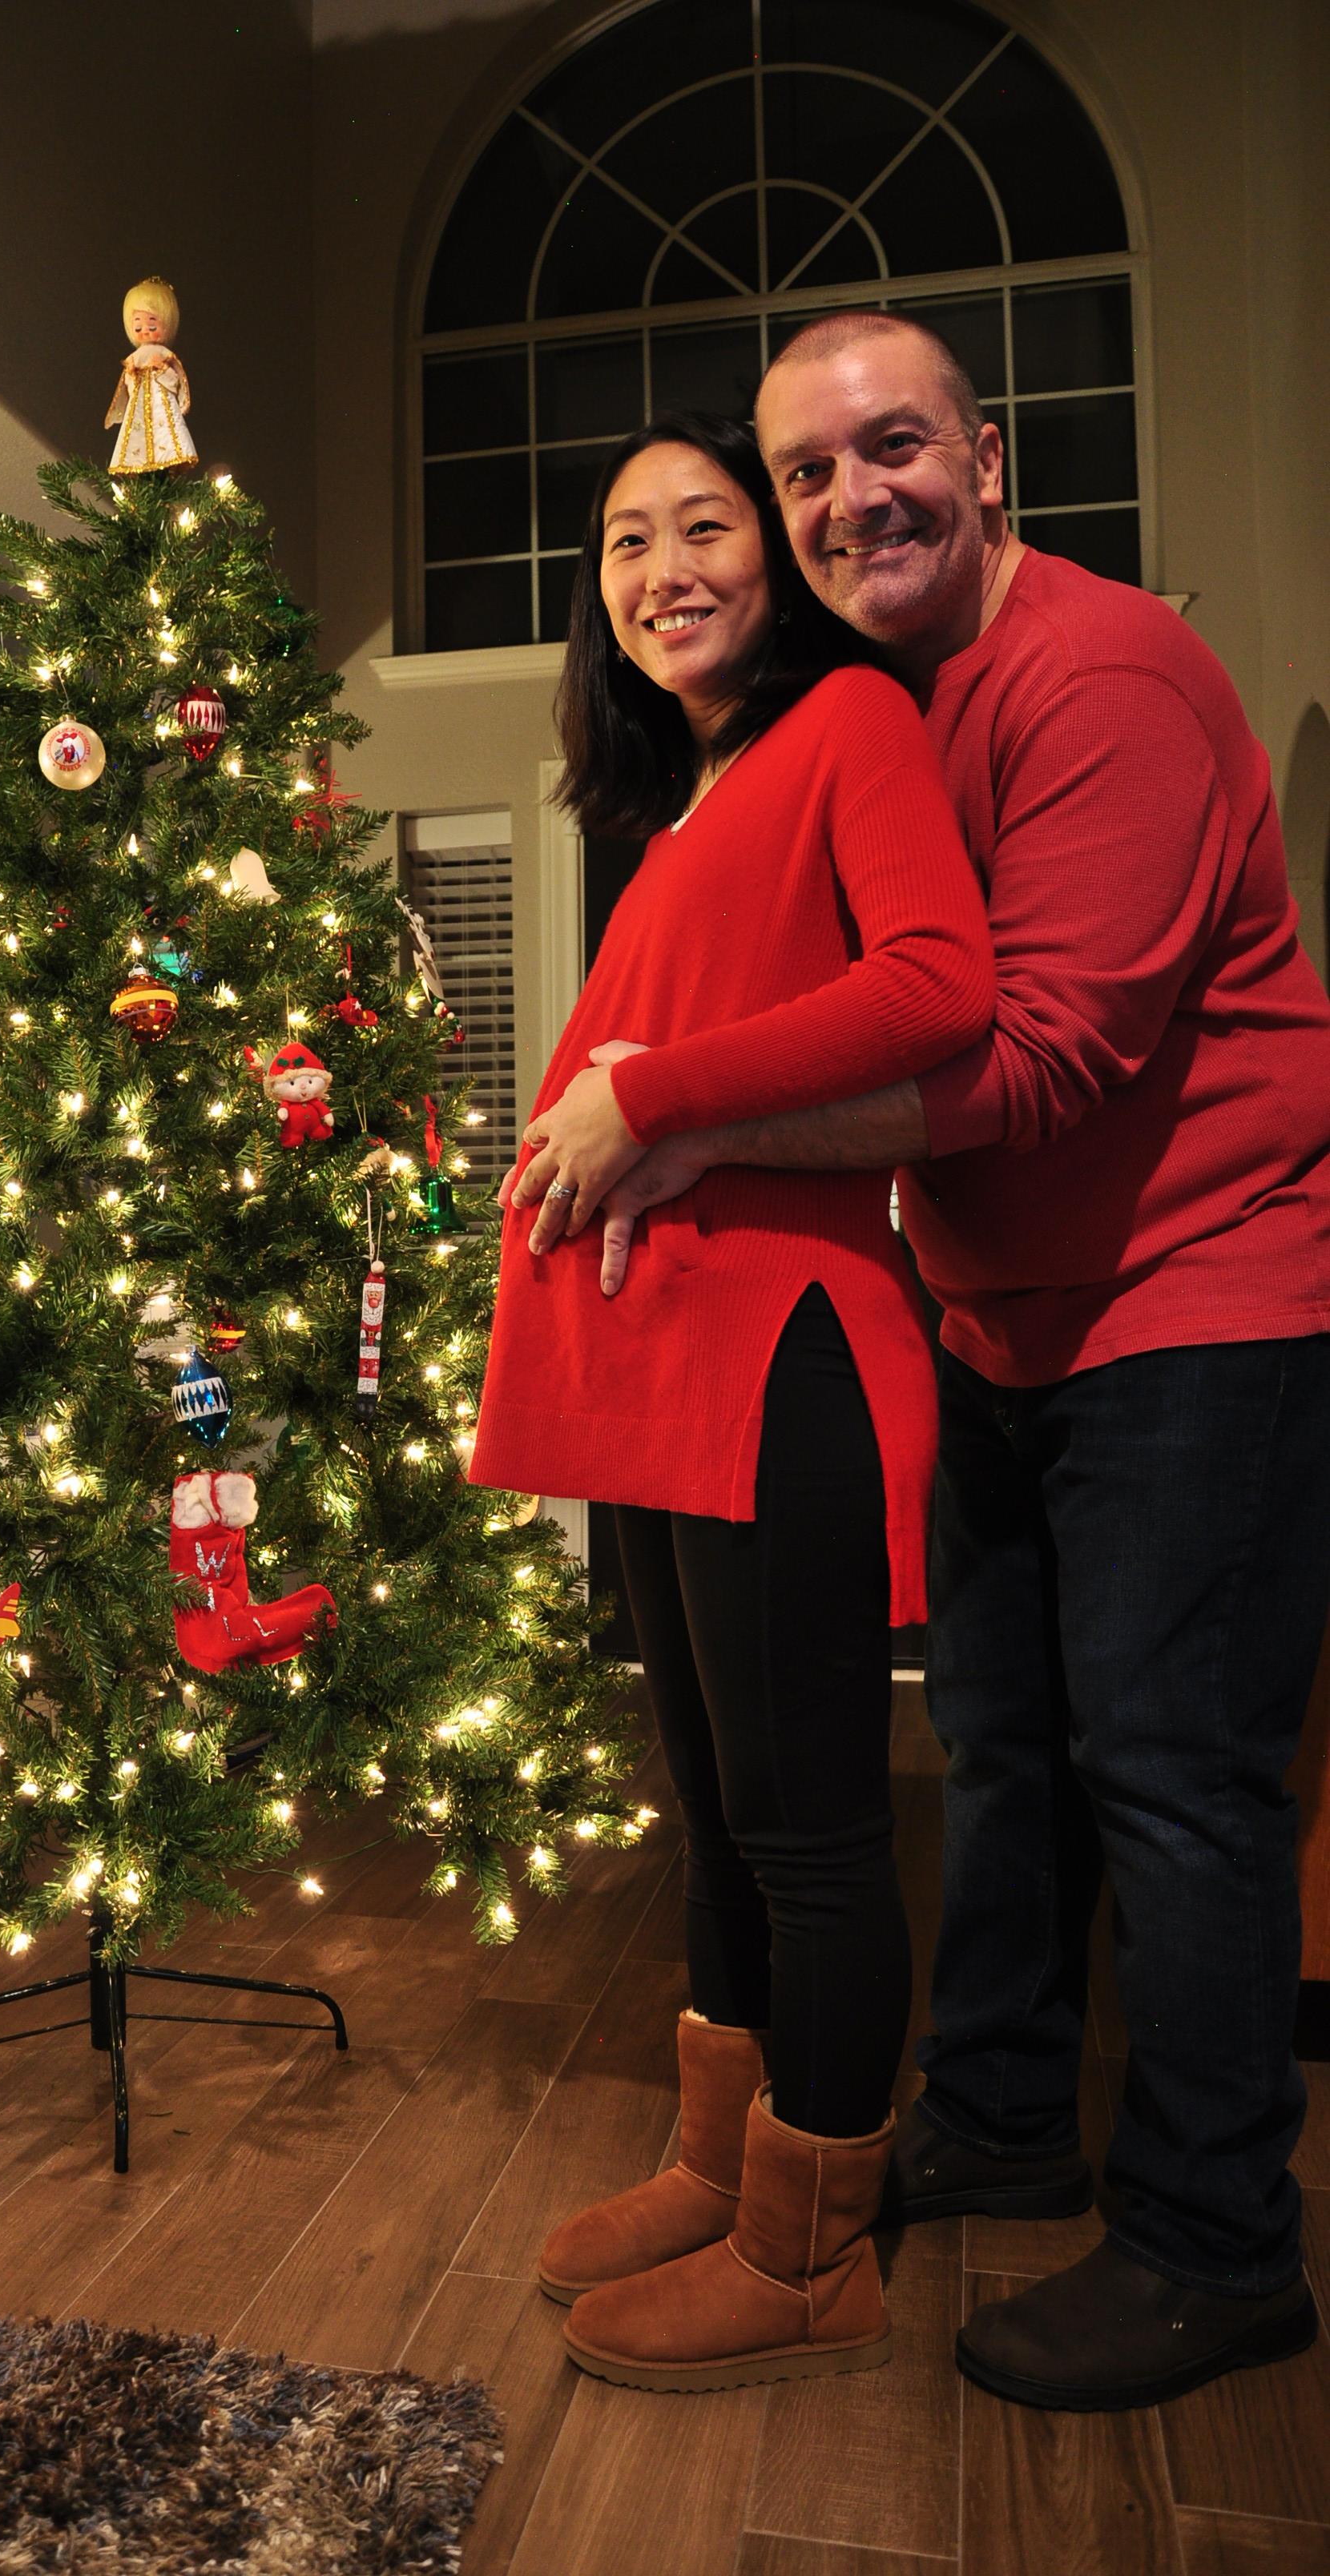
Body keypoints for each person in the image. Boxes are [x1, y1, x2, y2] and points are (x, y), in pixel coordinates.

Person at [526, 312, 1330, 2412]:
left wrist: (679, 1118)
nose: (846, 497)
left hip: (1195, 1291)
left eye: (887, 447)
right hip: (999, 1309)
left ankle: (1217, 2243)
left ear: (984, 456)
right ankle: (988, 2115)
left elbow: (1028, 1050)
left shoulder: (1097, 679)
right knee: (1000, 1749)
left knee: (1173, 1774)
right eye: (805, 470)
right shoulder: (871, 706)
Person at [470, 409, 995, 2393]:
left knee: (809, 1828)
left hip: (780, 1352)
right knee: (712, 1817)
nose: (664, 568)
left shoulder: (848, 726)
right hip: (658, 1366)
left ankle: (812, 2251)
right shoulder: (681, 802)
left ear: (774, 558)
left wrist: (655, 1101)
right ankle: (720, 2166)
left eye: (704, 524)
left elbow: (940, 986)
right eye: (626, 541)